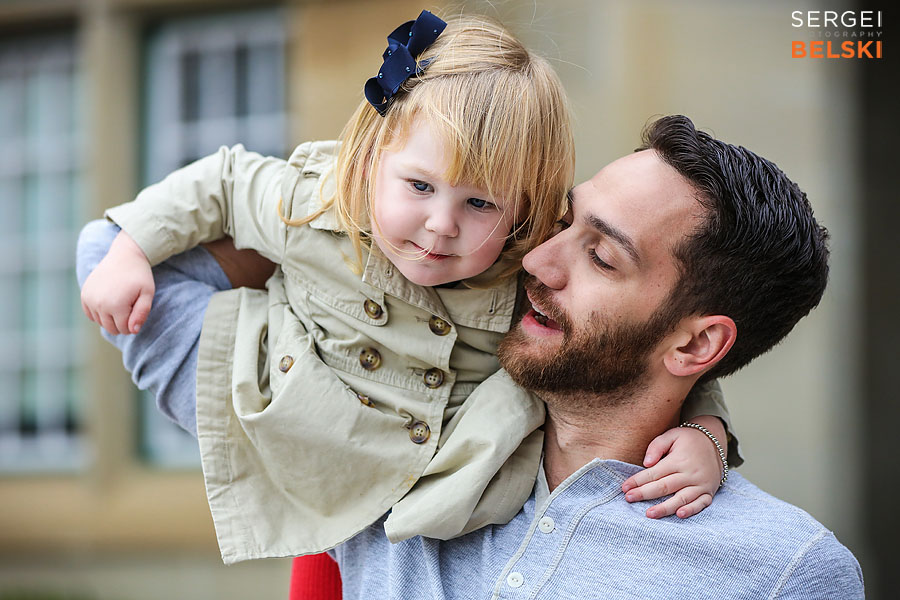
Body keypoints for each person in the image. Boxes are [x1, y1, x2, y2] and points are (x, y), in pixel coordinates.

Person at [77, 12, 735, 564]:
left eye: (480, 203)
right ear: (370, 160)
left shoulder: (524, 266)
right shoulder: (317, 204)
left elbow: (640, 346)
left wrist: (707, 433)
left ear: (523, 210)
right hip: (295, 410)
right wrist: (132, 249)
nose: (440, 225)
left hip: (441, 482)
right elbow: (221, 183)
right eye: (419, 186)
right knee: (99, 249)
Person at [326, 115, 865, 598]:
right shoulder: (393, 421)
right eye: (563, 224)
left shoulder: (785, 572)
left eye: (602, 259)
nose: (536, 261)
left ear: (696, 344)